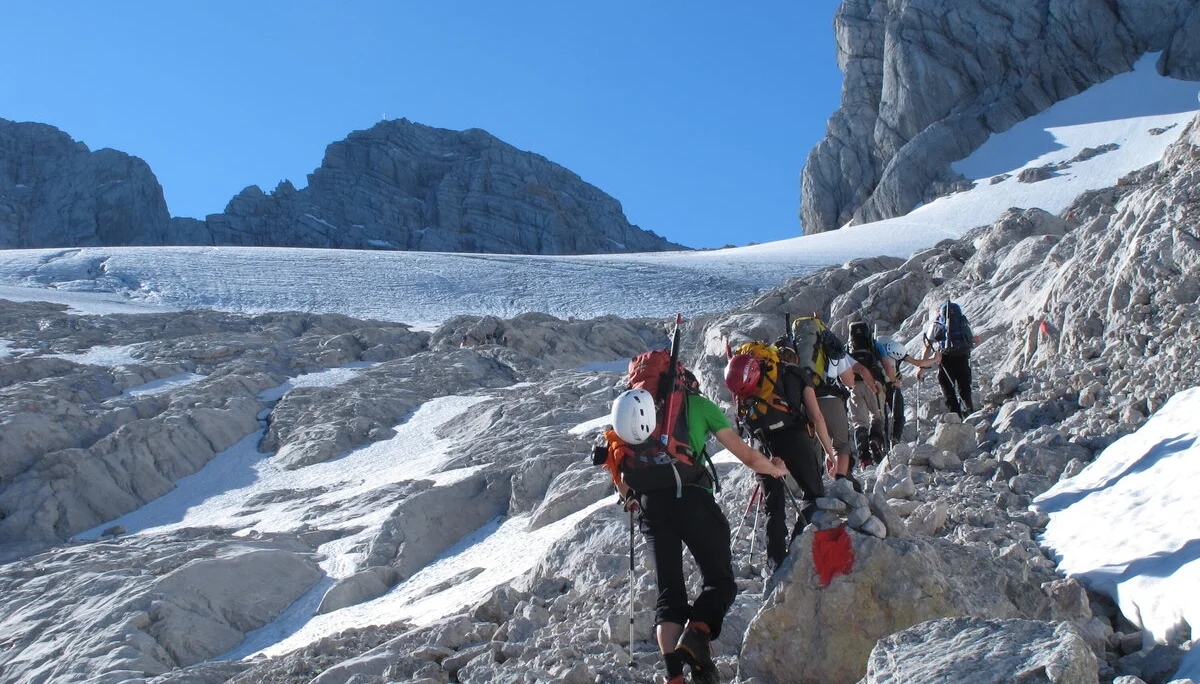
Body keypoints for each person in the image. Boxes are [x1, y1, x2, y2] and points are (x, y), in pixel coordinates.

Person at [607, 366, 788, 684]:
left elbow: (620, 473)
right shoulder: (698, 405)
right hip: (693, 500)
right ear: (685, 382)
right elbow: (745, 455)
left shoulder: (631, 411)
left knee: (670, 596)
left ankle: (676, 676)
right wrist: (774, 469)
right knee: (720, 582)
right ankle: (695, 636)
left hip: (651, 508)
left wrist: (630, 498)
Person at [725, 350, 837, 576]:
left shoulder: (741, 383)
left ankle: (775, 562)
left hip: (761, 444)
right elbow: (816, 416)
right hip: (793, 438)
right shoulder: (795, 373)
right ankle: (798, 545)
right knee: (814, 494)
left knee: (773, 505)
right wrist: (829, 451)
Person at [921, 302, 982, 417]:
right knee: (964, 385)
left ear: (939, 313)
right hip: (963, 355)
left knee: (947, 387)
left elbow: (928, 345)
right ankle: (969, 412)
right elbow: (976, 339)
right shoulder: (961, 320)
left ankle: (955, 415)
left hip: (945, 357)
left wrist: (921, 367)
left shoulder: (937, 323)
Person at [876, 335, 940, 443]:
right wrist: (935, 359)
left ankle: (882, 442)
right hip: (892, 386)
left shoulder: (879, 348)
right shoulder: (896, 352)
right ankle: (895, 439)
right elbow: (917, 363)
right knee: (898, 414)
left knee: (881, 417)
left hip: (876, 386)